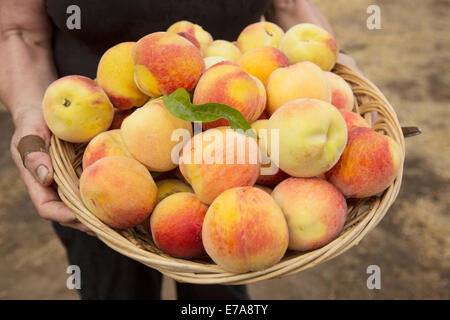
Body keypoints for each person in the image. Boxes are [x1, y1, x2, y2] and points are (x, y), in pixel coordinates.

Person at [0, 0, 358, 299]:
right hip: (89, 144)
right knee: (112, 287)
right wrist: (28, 111)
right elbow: (17, 30)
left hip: (235, 91)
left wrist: (339, 70)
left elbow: (288, 3)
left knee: (218, 297)